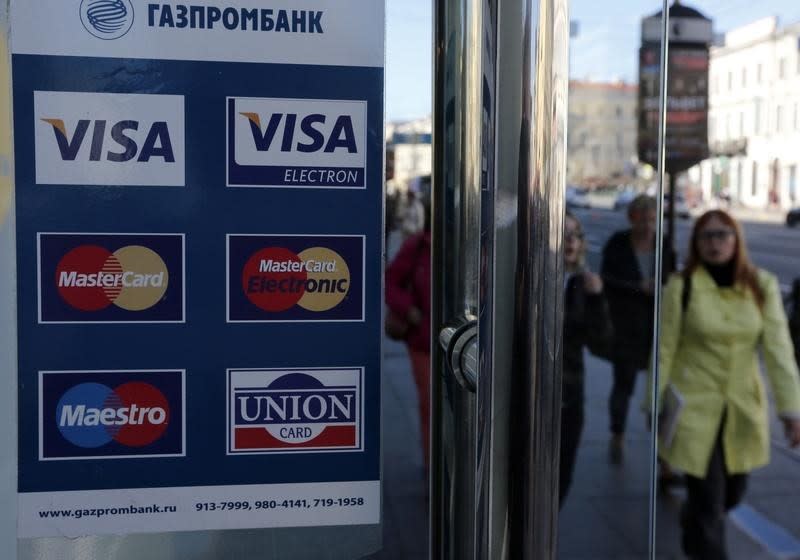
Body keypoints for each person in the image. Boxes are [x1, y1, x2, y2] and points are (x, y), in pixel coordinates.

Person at [653, 210, 800, 560]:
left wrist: (791, 409)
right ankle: (702, 534)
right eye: (707, 236)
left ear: (736, 240)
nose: (715, 243)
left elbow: (779, 350)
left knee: (733, 492)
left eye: (722, 235)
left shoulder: (760, 285)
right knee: (709, 501)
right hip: (694, 408)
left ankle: (694, 517)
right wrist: (655, 403)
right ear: (696, 243)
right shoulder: (683, 285)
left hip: (741, 407)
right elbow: (664, 348)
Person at [601, 194, 672, 463]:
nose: (646, 226)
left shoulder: (662, 243)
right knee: (624, 384)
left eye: (652, 220)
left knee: (661, 387)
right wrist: (637, 286)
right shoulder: (618, 243)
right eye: (641, 219)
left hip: (657, 326)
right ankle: (617, 434)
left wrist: (661, 286)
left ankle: (663, 446)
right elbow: (607, 279)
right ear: (631, 219)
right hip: (625, 327)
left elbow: (671, 279)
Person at [560, 212, 613, 506]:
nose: (570, 240)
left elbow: (602, 345)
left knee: (561, 478)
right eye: (563, 233)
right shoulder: (528, 278)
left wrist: (597, 299)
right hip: (526, 391)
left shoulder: (585, 283)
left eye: (576, 235)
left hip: (569, 397)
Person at [385, 203, 431, 469]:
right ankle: (433, 467)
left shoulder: (474, 245)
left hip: (467, 342)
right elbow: (390, 282)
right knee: (430, 405)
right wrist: (409, 310)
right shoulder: (416, 247)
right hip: (423, 341)